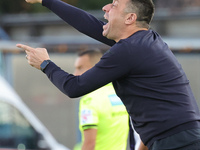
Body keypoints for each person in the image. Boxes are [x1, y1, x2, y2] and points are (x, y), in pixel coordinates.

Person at [16, 0, 200, 149]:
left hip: (177, 142)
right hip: (181, 138)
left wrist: (46, 64)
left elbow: (75, 87)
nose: (105, 7)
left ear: (130, 18)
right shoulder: (147, 40)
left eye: (114, 4)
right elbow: (88, 24)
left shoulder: (128, 50)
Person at [73, 49, 129, 150]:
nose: (75, 74)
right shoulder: (119, 94)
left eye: (80, 68)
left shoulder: (89, 100)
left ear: (94, 69)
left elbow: (89, 144)